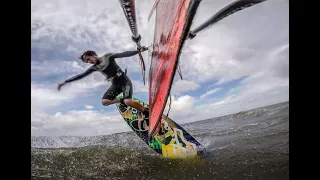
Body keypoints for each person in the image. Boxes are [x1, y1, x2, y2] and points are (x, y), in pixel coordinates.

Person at [57, 47, 149, 119]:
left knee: (128, 101)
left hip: (124, 82)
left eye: (88, 59)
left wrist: (138, 51)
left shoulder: (107, 57)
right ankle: (122, 100)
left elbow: (123, 54)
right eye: (87, 61)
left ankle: (146, 112)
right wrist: (65, 82)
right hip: (115, 85)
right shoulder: (94, 67)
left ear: (93, 54)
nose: (89, 62)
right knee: (104, 102)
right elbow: (81, 75)